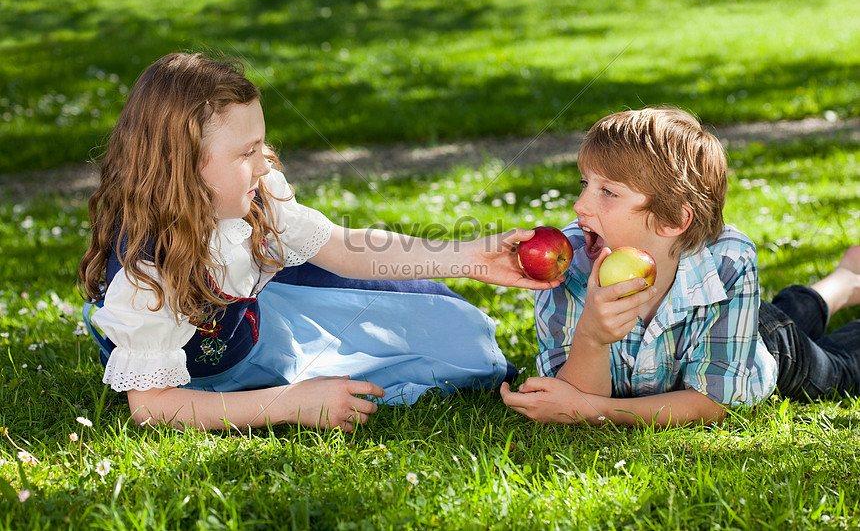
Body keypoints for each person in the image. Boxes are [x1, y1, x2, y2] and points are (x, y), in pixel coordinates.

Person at [79, 51, 560, 433]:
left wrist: (469, 257)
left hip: (263, 331)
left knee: (457, 338)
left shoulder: (254, 199)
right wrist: (288, 404)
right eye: (246, 153)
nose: (265, 165)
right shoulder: (145, 275)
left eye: (260, 145)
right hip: (197, 376)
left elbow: (343, 246)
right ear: (182, 166)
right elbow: (153, 408)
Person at [501, 107, 860, 427]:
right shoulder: (567, 266)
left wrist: (597, 411)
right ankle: (844, 282)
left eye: (608, 192)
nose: (580, 205)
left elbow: (712, 403)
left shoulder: (727, 263)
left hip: (764, 348)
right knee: (784, 314)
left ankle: (843, 283)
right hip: (731, 323)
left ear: (672, 220)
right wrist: (591, 337)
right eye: (585, 184)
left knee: (836, 370)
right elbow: (568, 398)